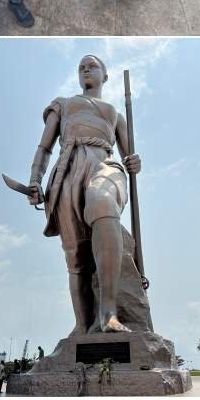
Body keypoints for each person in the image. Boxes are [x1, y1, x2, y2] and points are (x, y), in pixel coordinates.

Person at [28, 55, 142, 334]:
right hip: (67, 169)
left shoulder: (115, 113)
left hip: (104, 163)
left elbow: (129, 156)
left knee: (102, 203)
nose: (86, 70)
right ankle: (82, 326)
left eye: (92, 66)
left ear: (105, 75)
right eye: (81, 67)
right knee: (76, 255)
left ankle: (109, 312)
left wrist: (135, 162)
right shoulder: (63, 105)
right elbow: (44, 148)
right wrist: (35, 178)